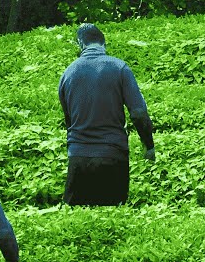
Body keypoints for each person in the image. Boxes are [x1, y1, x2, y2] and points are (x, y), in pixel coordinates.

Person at [57, 23, 156, 205]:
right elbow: (139, 113)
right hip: (113, 156)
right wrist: (148, 146)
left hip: (78, 159)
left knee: (78, 223)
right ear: (104, 44)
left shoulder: (67, 74)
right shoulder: (120, 68)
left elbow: (69, 121)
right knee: (113, 220)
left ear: (80, 45)